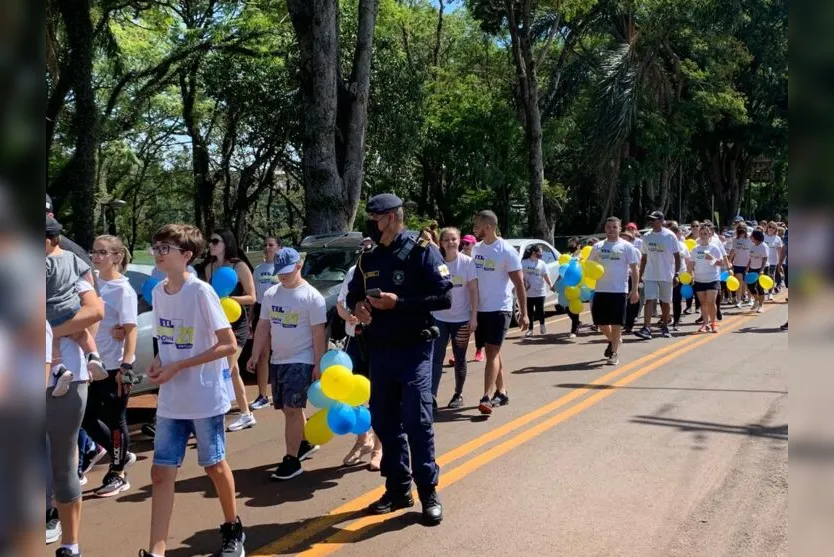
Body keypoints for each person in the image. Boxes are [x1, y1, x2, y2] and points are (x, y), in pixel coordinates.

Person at [346, 193, 451, 525]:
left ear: (391, 218)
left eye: (376, 219)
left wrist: (400, 303)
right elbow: (353, 296)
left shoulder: (422, 251)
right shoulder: (369, 258)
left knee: (418, 423)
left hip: (414, 350)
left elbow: (444, 297)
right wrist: (359, 308)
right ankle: (398, 489)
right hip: (380, 352)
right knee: (385, 423)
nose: (372, 225)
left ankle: (428, 492)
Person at [140, 224, 245, 557]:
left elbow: (227, 344)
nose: (157, 253)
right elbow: (166, 340)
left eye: (165, 248)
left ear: (186, 256)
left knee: (214, 466)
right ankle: (157, 550)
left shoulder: (200, 292)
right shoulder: (158, 293)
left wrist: (179, 366)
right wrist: (159, 362)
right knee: (160, 471)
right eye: (155, 247)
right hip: (172, 398)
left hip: (203, 397)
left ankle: (233, 527)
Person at [247, 247, 326, 481]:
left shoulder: (312, 297)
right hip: (278, 360)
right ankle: (304, 442)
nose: (283, 276)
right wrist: (254, 354)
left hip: (300, 359)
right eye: (279, 272)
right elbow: (263, 326)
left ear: (299, 266)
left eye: (287, 271)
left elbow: (318, 334)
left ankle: (291, 460)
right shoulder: (272, 294)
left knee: (292, 410)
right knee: (287, 409)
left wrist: (318, 364)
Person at [48, 275, 104, 557]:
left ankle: (69, 545)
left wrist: (50, 330)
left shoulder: (70, 270)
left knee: (63, 461)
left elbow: (95, 312)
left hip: (64, 383)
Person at [83, 235, 140, 497]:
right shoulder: (90, 281)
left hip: (115, 366)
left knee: (116, 421)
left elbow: (130, 330)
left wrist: (126, 366)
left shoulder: (123, 290)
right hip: (92, 364)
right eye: (93, 251)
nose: (96, 256)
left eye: (102, 252)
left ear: (116, 257)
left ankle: (118, 473)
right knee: (84, 416)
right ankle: (122, 456)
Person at [199, 228, 257, 433]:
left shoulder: (239, 266)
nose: (211, 245)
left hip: (236, 323)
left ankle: (216, 420)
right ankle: (246, 414)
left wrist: (229, 300)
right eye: (210, 241)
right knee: (232, 371)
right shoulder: (210, 268)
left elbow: (252, 297)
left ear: (226, 243)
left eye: (215, 241)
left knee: (225, 369)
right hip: (217, 323)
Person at [472, 210, 528, 415]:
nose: (474, 228)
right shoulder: (476, 249)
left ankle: (486, 396)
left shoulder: (506, 250)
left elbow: (519, 284)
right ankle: (502, 392)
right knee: (492, 351)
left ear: (488, 226)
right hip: (481, 309)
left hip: (500, 308)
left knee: (491, 352)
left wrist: (524, 312)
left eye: (477, 224)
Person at [336, 238, 382, 470]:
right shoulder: (354, 271)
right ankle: (363, 439)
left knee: (379, 395)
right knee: (353, 393)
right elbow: (340, 303)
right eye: (364, 248)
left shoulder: (385, 269)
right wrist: (348, 316)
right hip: (355, 339)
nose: (367, 251)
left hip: (379, 341)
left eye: (371, 247)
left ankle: (378, 448)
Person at [46, 215, 106, 393]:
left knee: (51, 340)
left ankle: (59, 368)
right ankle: (94, 357)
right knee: (81, 333)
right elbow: (87, 273)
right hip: (72, 307)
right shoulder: (71, 256)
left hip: (51, 311)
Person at [431, 227, 478, 409]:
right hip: (439, 318)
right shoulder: (437, 262)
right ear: (441, 243)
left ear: (459, 241)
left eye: (454, 239)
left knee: (460, 357)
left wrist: (474, 317)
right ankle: (432, 397)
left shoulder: (467, 263)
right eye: (446, 240)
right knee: (436, 358)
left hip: (461, 319)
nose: (450, 242)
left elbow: (474, 290)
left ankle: (458, 394)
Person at [587, 217, 641, 365]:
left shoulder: (626, 247)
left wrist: (635, 289)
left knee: (617, 323)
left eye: (614, 227)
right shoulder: (598, 247)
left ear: (619, 229)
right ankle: (614, 340)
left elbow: (635, 269)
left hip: (619, 291)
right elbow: (589, 266)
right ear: (605, 229)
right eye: (609, 227)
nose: (611, 230)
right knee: (601, 323)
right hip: (600, 290)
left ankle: (614, 353)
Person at [249, 236, 282, 410]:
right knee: (262, 354)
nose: (267, 247)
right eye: (265, 245)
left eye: (271, 244)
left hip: (280, 312)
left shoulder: (283, 268)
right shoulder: (258, 270)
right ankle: (262, 395)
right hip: (262, 312)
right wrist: (249, 320)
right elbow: (254, 297)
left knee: (280, 353)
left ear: (278, 247)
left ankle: (279, 392)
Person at [635, 211, 680, 340]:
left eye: (654, 220)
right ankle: (646, 327)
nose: (652, 222)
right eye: (651, 220)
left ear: (661, 221)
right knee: (650, 300)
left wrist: (676, 273)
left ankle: (665, 326)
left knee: (665, 302)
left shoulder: (670, 236)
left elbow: (677, 256)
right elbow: (644, 257)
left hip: (666, 274)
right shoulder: (647, 236)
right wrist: (641, 275)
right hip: (650, 274)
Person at [688, 223, 725, 333]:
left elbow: (721, 263)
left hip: (712, 279)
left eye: (705, 233)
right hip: (699, 279)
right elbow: (691, 264)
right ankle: (705, 323)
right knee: (703, 303)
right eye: (701, 233)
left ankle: (713, 323)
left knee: (711, 302)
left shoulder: (714, 248)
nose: (703, 235)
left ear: (710, 235)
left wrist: (712, 258)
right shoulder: (695, 249)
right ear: (699, 235)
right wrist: (689, 276)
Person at [522, 245, 553, 337]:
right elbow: (520, 274)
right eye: (539, 252)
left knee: (540, 310)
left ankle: (542, 325)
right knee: (530, 311)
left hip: (540, 291)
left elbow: (546, 275)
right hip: (528, 292)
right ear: (533, 252)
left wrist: (550, 284)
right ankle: (530, 329)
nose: (541, 254)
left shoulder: (542, 263)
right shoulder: (524, 263)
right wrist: (524, 282)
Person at [668, 223, 690, 331]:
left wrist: (690, 273)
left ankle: (676, 321)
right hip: (667, 275)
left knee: (677, 299)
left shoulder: (683, 245)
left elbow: (687, 260)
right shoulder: (665, 244)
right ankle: (666, 318)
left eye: (675, 233)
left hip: (680, 275)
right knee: (666, 299)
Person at [728, 223, 753, 308]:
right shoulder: (735, 240)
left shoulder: (750, 239)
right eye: (740, 229)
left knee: (748, 282)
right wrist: (729, 261)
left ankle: (750, 299)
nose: (742, 231)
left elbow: (752, 251)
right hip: (738, 263)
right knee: (739, 282)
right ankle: (739, 300)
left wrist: (750, 264)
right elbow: (733, 251)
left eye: (743, 229)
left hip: (748, 263)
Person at [746, 230, 769, 313]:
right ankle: (756, 300)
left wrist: (762, 270)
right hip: (752, 268)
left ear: (756, 237)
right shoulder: (752, 246)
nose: (750, 237)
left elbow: (765, 259)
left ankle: (761, 306)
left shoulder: (763, 246)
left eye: (752, 236)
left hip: (761, 268)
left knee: (760, 287)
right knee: (750, 286)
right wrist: (747, 267)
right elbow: (750, 257)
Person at [763, 221, 784, 301]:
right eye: (770, 227)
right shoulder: (763, 236)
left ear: (776, 230)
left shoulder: (777, 238)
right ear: (767, 227)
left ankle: (770, 293)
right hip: (763, 261)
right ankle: (761, 293)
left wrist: (780, 263)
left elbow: (779, 251)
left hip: (773, 261)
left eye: (773, 228)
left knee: (771, 277)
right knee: (763, 277)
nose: (771, 229)